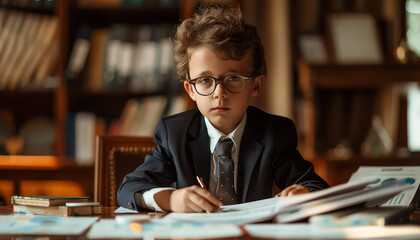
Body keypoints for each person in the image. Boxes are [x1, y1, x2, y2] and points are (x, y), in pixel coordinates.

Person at [117, 3, 329, 213]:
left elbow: (317, 187)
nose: (219, 92)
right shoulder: (174, 134)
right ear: (190, 90)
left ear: (256, 85)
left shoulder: (274, 133)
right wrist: (171, 199)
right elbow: (129, 189)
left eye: (233, 78)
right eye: (205, 80)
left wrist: (304, 194)